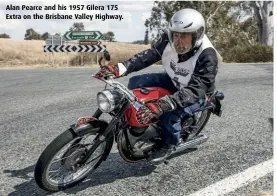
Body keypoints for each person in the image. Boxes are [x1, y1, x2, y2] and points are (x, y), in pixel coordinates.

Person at [95, 8, 221, 164]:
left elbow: (198, 88)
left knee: (168, 115)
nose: (179, 41)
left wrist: (164, 104)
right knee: (136, 83)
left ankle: (169, 144)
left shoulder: (208, 56)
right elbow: (150, 55)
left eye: (185, 36)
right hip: (174, 80)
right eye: (176, 35)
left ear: (197, 35)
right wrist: (120, 68)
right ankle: (138, 121)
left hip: (196, 93)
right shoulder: (168, 40)